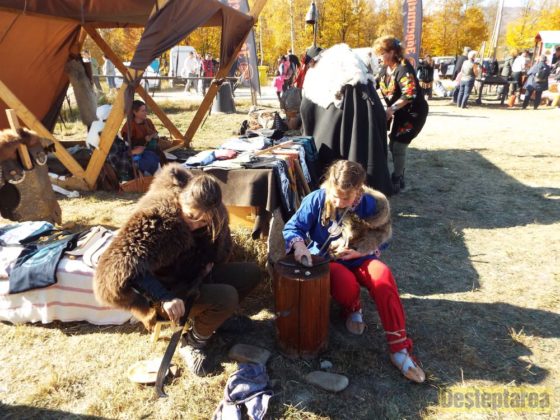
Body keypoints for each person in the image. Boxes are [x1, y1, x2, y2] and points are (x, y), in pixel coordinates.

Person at [94, 164, 261, 376]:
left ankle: (215, 320)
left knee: (251, 273)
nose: (195, 224)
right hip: (164, 293)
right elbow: (121, 267)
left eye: (204, 221)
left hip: (192, 278)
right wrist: (163, 297)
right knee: (227, 297)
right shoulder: (157, 219)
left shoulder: (214, 215)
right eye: (191, 216)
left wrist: (208, 262)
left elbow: (215, 247)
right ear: (181, 200)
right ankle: (192, 342)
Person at [282, 160, 426, 383]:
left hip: (361, 257)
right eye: (335, 196)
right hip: (329, 259)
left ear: (358, 190)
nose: (339, 203)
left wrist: (360, 251)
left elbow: (383, 236)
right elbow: (293, 227)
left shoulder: (373, 205)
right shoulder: (317, 199)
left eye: (345, 198)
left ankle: (399, 349)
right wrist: (300, 246)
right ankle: (352, 308)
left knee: (383, 277)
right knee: (344, 282)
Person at [374, 36, 429, 194]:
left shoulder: (404, 68)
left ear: (392, 52)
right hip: (400, 112)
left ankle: (398, 179)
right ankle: (400, 174)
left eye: (382, 53)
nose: (379, 57)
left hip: (413, 112)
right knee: (392, 144)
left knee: (399, 145)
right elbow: (374, 84)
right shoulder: (385, 69)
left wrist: (391, 109)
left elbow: (409, 94)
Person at [120, 100, 166, 175]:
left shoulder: (148, 121)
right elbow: (127, 142)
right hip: (139, 152)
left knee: (160, 157)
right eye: (143, 111)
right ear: (135, 112)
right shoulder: (130, 125)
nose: (146, 113)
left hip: (152, 148)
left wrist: (154, 136)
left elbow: (155, 133)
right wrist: (143, 140)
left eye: (145, 110)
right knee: (150, 161)